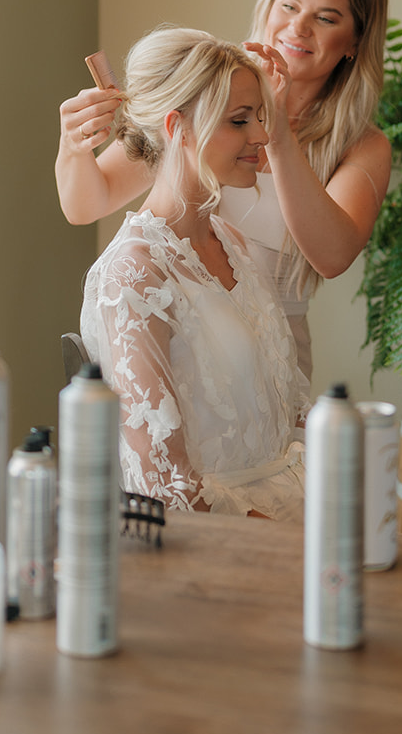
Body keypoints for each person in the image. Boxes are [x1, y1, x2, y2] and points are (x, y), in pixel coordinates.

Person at [57, 0, 391, 381]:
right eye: (287, 6)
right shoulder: (205, 94)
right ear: (268, 5)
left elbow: (332, 256)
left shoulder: (361, 145)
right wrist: (74, 145)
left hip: (271, 361)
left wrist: (278, 130)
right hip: (178, 338)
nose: (297, 27)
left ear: (354, 41)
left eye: (326, 18)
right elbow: (87, 204)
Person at [79, 28, 309, 518]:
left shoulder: (234, 244)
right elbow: (165, 488)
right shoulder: (135, 276)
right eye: (239, 120)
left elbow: (285, 408)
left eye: (261, 117)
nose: (262, 136)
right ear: (178, 127)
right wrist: (287, 540)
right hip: (225, 545)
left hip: (299, 504)